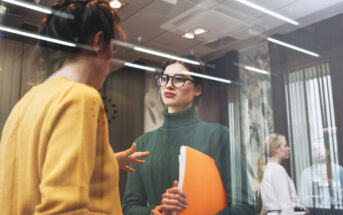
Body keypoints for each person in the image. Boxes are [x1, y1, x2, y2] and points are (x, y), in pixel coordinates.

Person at [0, 0, 148, 214]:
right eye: (113, 49)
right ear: (98, 42)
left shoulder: (24, 105)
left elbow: (34, 173)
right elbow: (64, 209)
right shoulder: (80, 97)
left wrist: (105, 161)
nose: (110, 62)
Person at [122, 60, 255, 215]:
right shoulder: (142, 143)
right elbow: (129, 207)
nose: (169, 85)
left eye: (179, 79)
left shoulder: (217, 135)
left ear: (197, 89)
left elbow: (245, 206)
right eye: (164, 79)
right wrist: (154, 212)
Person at [257, 133, 308, 215]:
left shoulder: (268, 168)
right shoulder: (277, 170)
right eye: (285, 145)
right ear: (276, 149)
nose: (289, 148)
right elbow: (286, 206)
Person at [299, 140, 343, 209]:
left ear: (327, 151)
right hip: (315, 211)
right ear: (312, 154)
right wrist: (313, 196)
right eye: (314, 150)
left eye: (320, 148)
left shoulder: (339, 170)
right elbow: (302, 199)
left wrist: (331, 186)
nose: (318, 152)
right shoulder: (306, 173)